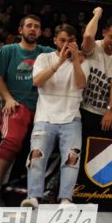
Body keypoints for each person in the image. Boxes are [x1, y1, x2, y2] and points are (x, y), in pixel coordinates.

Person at [0, 14, 53, 207]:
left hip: (42, 109)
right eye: (29, 26)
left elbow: (68, 51)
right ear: (20, 30)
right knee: (11, 141)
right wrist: (8, 98)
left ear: (40, 32)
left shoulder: (46, 52)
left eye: (37, 27)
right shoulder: (8, 50)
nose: (33, 29)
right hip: (17, 105)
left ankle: (39, 193)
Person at [21, 24, 89, 208]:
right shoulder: (44, 58)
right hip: (45, 116)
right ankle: (34, 197)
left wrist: (75, 61)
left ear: (75, 42)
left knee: (72, 159)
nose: (67, 44)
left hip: (72, 117)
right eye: (63, 40)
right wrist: (59, 62)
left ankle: (65, 199)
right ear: (55, 41)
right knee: (36, 157)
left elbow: (81, 84)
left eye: (70, 40)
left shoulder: (83, 61)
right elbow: (37, 81)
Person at [80, 7, 112, 133]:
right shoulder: (93, 47)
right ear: (103, 32)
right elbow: (88, 35)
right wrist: (97, 15)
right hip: (88, 109)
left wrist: (110, 110)